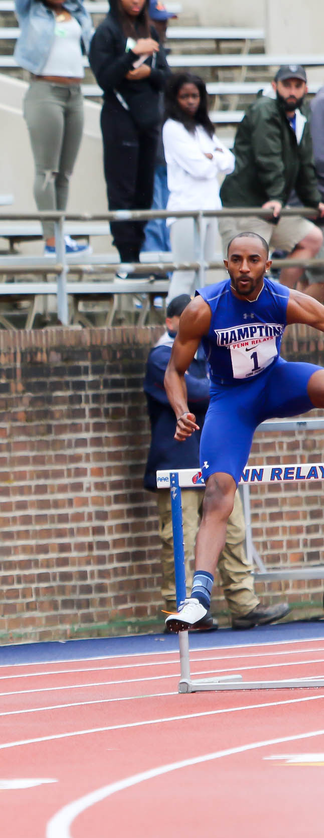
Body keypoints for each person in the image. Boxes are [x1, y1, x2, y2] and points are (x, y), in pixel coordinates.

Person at [163, 232, 309, 632]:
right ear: (226, 263)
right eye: (237, 260)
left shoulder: (282, 300)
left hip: (276, 382)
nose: (245, 268)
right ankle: (198, 599)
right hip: (232, 403)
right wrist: (180, 411)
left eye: (253, 260)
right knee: (218, 489)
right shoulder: (203, 308)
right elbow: (174, 372)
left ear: (267, 264)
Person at [143, 294, 287, 630]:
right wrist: (232, 386)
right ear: (172, 323)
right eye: (191, 319)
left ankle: (244, 605)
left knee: (234, 533)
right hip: (177, 464)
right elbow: (194, 390)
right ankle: (181, 611)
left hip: (217, 462)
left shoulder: (211, 351)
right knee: (179, 540)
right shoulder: (161, 357)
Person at [219, 65, 324, 301]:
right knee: (248, 272)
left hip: (270, 206)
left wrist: (314, 202)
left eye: (297, 86)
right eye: (287, 85)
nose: (292, 92)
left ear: (306, 89)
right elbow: (268, 158)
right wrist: (277, 196)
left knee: (313, 238)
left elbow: (305, 163)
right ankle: (257, 310)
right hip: (247, 205)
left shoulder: (301, 116)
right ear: (275, 86)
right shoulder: (265, 110)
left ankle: (280, 300)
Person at [88, 0, 170, 280]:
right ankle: (127, 259)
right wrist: (133, 54)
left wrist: (150, 72)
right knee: (122, 190)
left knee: (144, 191)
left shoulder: (150, 31)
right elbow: (104, 78)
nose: (136, 1)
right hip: (119, 119)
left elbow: (167, 79)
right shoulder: (107, 32)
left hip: (149, 123)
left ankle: (139, 256)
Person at [13, 0, 94, 256]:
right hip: (46, 91)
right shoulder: (31, 10)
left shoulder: (76, 11)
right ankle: (51, 240)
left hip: (75, 93)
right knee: (47, 170)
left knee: (65, 172)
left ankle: (60, 234)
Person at [162, 71, 233, 302]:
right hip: (186, 209)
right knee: (185, 273)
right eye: (185, 96)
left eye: (195, 95)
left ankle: (195, 330)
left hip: (210, 207)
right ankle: (173, 330)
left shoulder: (203, 129)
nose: (191, 101)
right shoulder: (172, 128)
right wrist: (215, 158)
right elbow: (200, 169)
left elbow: (230, 163)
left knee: (202, 275)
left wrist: (208, 156)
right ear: (175, 98)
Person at [141, 0, 178, 256]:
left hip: (168, 152)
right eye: (157, 19)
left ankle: (167, 270)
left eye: (164, 20)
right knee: (155, 215)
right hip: (150, 149)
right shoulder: (141, 53)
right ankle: (157, 268)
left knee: (168, 215)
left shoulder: (160, 56)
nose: (162, 26)